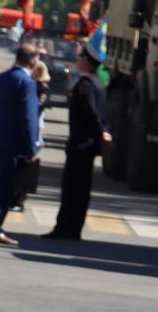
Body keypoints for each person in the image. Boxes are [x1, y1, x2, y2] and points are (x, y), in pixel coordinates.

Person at [0, 45, 42, 246]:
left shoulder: (1, 78)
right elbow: (29, 119)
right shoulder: (27, 83)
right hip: (13, 145)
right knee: (4, 187)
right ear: (33, 62)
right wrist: (32, 148)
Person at [46, 33, 110, 240]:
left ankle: (65, 228)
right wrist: (103, 130)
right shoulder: (96, 83)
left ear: (86, 62)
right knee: (81, 189)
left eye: (80, 57)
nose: (77, 59)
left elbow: (92, 113)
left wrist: (101, 129)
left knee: (72, 188)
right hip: (88, 144)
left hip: (81, 143)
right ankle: (73, 228)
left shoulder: (85, 85)